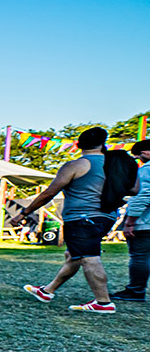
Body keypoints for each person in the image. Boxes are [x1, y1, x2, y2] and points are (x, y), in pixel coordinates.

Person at [19, 127, 125, 313]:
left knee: (89, 258)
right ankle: (47, 291)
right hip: (107, 217)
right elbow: (134, 190)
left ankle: (103, 302)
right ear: (103, 144)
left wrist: (24, 212)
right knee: (74, 255)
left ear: (77, 145)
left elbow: (49, 193)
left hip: (81, 218)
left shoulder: (75, 165)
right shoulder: (115, 165)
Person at [110, 139, 150, 302]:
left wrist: (130, 222)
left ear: (146, 152)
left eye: (138, 157)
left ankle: (135, 290)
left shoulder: (146, 170)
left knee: (139, 256)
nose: (138, 161)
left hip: (145, 221)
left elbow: (142, 196)